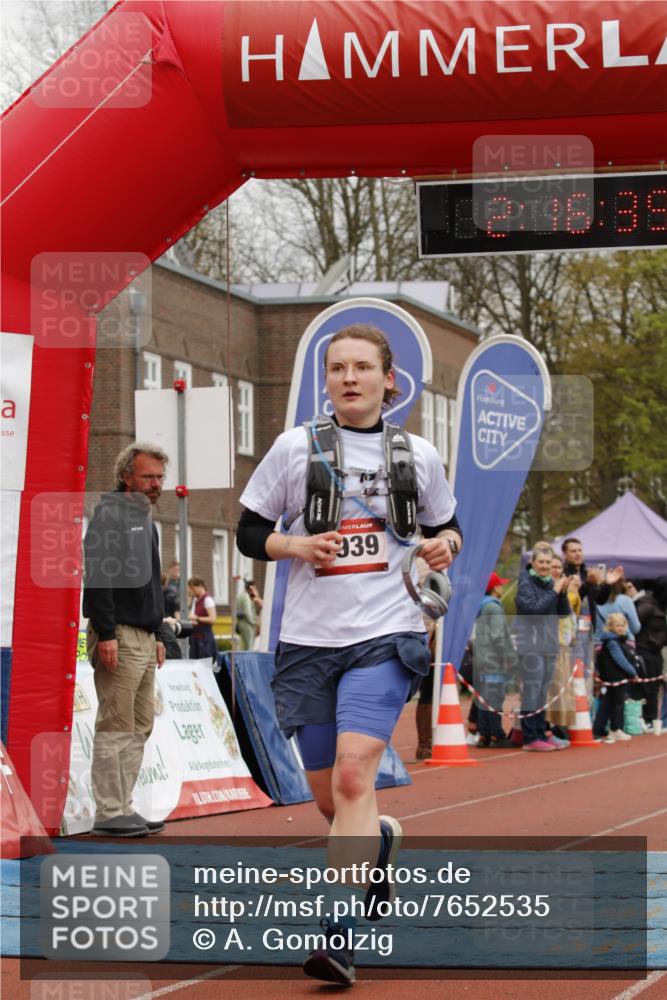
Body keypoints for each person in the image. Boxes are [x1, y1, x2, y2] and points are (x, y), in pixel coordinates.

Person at [236, 323, 461, 985]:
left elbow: (446, 526)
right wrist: (295, 546)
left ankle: (339, 935)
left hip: (387, 634)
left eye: (362, 367)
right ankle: (378, 842)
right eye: (337, 368)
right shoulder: (293, 448)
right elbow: (249, 530)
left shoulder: (418, 455)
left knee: (355, 777)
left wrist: (444, 545)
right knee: (330, 800)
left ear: (388, 380)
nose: (349, 378)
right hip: (310, 642)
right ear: (326, 380)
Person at [83, 441, 169, 837]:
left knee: (140, 725)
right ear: (126, 477)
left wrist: (159, 632)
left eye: (160, 477)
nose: (156, 484)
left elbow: (152, 584)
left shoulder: (146, 519)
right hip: (118, 632)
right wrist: (107, 632)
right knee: (116, 724)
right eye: (148, 476)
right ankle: (108, 812)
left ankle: (124, 806)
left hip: (144, 635)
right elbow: (98, 575)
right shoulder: (110, 515)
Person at [515, 543, 571, 751]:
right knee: (532, 691)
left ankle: (541, 734)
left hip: (549, 645)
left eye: (548, 562)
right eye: (541, 562)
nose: (545, 566)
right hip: (531, 646)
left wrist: (562, 593)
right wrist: (555, 591)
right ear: (533, 563)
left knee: (542, 693)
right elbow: (534, 610)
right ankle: (530, 738)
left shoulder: (551, 585)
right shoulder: (526, 584)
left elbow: (564, 613)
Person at [473, 572, 518, 748]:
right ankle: (496, 735)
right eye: (500, 585)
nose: (502, 587)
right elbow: (499, 636)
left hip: (482, 658)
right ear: (494, 588)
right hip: (494, 659)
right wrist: (508, 658)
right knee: (495, 698)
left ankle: (484, 734)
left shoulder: (481, 606)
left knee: (484, 698)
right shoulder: (494, 608)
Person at [546, 554, 580, 737]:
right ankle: (548, 728)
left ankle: (559, 727)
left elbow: (567, 614)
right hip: (547, 643)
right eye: (553, 566)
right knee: (549, 688)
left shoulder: (564, 590)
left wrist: (565, 592)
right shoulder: (543, 589)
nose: (556, 570)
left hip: (563, 643)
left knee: (562, 687)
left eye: (559, 567)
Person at [597, 613, 640, 743]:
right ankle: (615, 729)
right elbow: (620, 659)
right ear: (610, 626)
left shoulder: (617, 640)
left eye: (622, 625)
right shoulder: (612, 641)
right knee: (617, 703)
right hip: (614, 677)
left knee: (608, 702)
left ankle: (599, 729)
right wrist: (633, 673)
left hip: (615, 676)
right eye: (617, 625)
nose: (620, 628)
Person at [635, 577, 667, 732]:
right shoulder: (648, 605)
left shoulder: (660, 606)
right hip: (644, 650)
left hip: (656, 651)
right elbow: (633, 624)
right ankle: (646, 720)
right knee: (647, 687)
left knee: (654, 687)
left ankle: (652, 720)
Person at [187, 576, 218, 661]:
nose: (190, 590)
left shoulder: (207, 599)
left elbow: (212, 619)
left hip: (204, 638)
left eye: (192, 588)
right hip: (195, 638)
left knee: (204, 663)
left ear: (200, 586)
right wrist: (189, 597)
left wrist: (197, 618)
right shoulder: (195, 599)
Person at [235, 578, 263, 651]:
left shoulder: (240, 595)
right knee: (250, 646)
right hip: (248, 624)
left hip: (241, 623)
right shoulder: (246, 596)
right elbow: (248, 612)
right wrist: (254, 622)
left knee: (244, 646)